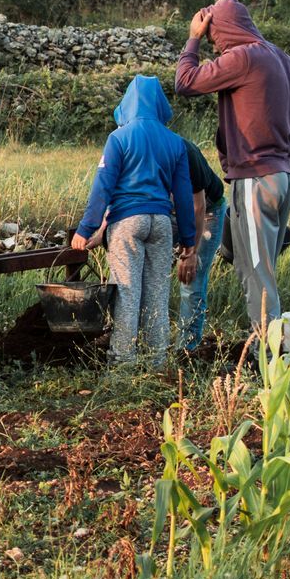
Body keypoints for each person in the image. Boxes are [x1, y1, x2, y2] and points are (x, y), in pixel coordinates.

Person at [173, 0, 290, 333]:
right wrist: (282, 163)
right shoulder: (286, 61)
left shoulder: (243, 57)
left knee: (257, 274)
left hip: (255, 178)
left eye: (213, 35)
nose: (215, 44)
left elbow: (185, 83)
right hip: (283, 176)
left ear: (223, 29)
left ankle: (268, 355)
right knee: (252, 258)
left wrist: (193, 38)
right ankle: (243, 248)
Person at [70, 75, 197, 367]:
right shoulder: (175, 142)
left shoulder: (120, 138)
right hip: (162, 224)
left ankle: (122, 364)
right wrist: (189, 242)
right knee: (157, 294)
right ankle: (156, 363)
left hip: (128, 223)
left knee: (127, 293)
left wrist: (86, 229)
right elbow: (184, 195)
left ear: (128, 103)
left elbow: (103, 187)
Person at [173, 133, 227, 352]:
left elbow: (198, 206)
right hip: (169, 212)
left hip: (206, 213)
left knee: (190, 280)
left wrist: (189, 252)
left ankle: (185, 350)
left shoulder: (185, 151)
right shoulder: (135, 145)